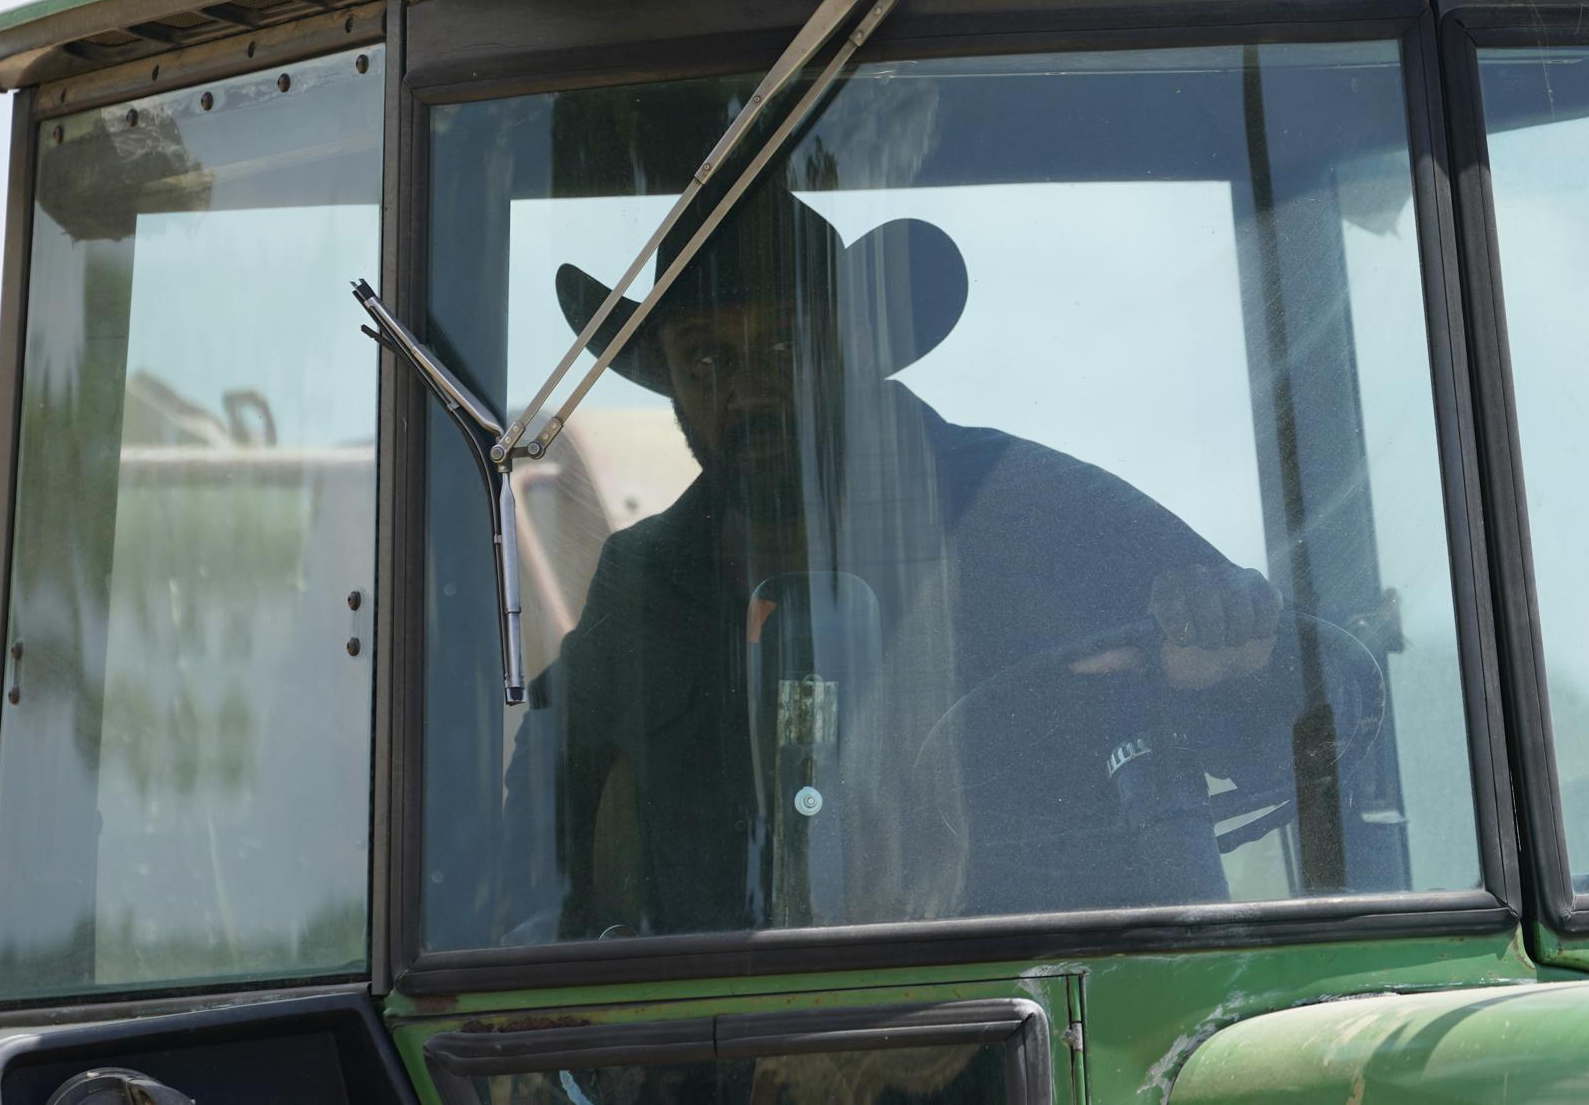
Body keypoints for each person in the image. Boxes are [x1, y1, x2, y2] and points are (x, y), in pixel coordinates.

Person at [498, 192, 1294, 946]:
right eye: (705, 358)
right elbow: (531, 843)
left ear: (855, 347)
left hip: (1041, 1035)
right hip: (733, 1054)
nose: (746, 390)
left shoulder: (1034, 511)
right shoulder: (645, 585)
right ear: (670, 381)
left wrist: (1240, 658)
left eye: (784, 344)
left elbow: (1310, 713)